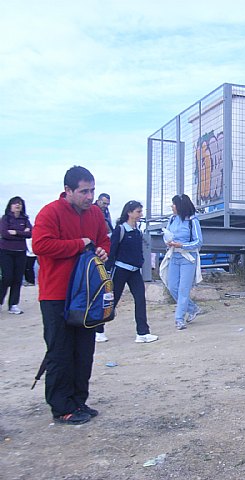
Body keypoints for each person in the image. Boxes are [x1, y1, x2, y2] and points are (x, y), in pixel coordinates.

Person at [32, 165, 110, 424]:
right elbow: (40, 245)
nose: (90, 197)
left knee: (84, 351)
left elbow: (103, 240)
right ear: (68, 191)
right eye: (84, 191)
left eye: (92, 191)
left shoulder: (96, 213)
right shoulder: (50, 212)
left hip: (86, 295)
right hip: (55, 295)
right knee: (60, 352)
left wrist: (102, 250)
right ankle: (61, 407)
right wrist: (79, 244)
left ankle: (79, 401)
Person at [95, 201, 158, 344]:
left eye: (141, 211)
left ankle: (142, 333)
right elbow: (112, 250)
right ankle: (98, 330)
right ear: (129, 213)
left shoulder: (138, 231)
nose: (140, 214)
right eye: (138, 211)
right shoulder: (120, 230)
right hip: (121, 270)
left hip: (135, 271)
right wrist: (108, 269)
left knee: (140, 299)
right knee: (112, 300)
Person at [162, 194, 203, 330]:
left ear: (180, 206)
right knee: (172, 286)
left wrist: (183, 245)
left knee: (183, 289)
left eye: (174, 204)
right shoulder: (172, 219)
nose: (172, 207)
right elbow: (166, 234)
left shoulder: (192, 221)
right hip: (174, 256)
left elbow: (199, 241)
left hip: (187, 258)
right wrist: (168, 242)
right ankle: (193, 308)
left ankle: (179, 319)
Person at [0, 196, 32, 314]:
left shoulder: (25, 219)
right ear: (10, 206)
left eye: (19, 204)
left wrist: (16, 232)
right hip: (6, 251)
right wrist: (23, 233)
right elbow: (4, 233)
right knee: (7, 277)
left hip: (21, 252)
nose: (17, 205)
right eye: (15, 204)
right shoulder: (5, 218)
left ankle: (13, 304)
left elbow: (30, 234)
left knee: (17, 279)